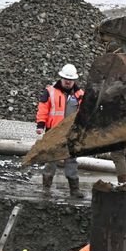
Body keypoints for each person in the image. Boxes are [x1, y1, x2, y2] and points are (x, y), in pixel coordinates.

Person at [37, 63, 84, 198]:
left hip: (71, 134)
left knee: (71, 162)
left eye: (70, 80)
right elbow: (43, 109)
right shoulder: (50, 91)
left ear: (74, 80)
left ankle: (74, 190)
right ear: (61, 78)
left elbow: (84, 114)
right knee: (51, 161)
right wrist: (41, 125)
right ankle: (46, 189)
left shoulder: (80, 95)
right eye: (66, 79)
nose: (68, 82)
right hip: (54, 132)